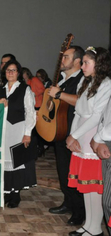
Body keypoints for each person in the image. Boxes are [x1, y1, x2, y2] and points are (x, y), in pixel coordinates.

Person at [66, 47, 111, 236]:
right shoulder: (85, 82)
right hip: (80, 134)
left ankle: (95, 228)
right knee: (85, 185)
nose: (82, 66)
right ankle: (88, 224)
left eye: (86, 63)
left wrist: (75, 135)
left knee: (95, 186)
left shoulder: (106, 84)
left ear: (98, 64)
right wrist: (71, 136)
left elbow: (96, 116)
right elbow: (78, 111)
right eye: (82, 62)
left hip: (93, 135)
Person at [47, 46, 86, 226]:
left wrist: (60, 94)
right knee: (63, 172)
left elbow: (81, 101)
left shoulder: (83, 79)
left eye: (66, 57)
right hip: (60, 132)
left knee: (76, 173)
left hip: (75, 134)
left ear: (77, 61)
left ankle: (80, 211)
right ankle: (68, 203)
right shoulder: (62, 79)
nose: (62, 60)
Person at [0, 60, 37, 208]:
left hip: (18, 128)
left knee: (16, 162)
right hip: (2, 130)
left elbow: (30, 112)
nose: (10, 73)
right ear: (4, 74)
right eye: (8, 70)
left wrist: (27, 133)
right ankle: (5, 192)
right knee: (4, 161)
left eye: (13, 70)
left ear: (18, 73)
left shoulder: (25, 89)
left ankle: (15, 194)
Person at [91, 97, 111, 235]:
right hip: (107, 140)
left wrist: (98, 138)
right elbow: (106, 115)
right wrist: (101, 138)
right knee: (107, 202)